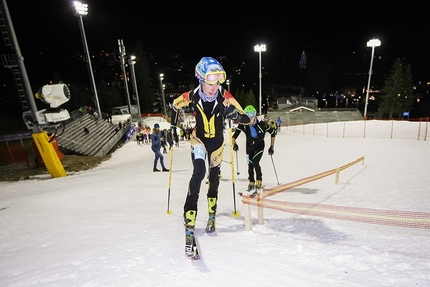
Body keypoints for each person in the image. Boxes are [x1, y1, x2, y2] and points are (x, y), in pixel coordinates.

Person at [170, 56, 250, 258]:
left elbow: (247, 118)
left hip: (217, 145)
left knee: (213, 179)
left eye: (217, 82)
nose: (214, 87)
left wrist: (235, 116)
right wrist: (173, 119)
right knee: (199, 172)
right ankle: (189, 218)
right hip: (198, 140)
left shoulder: (226, 96)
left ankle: (212, 215)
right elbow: (175, 104)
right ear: (200, 79)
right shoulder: (192, 95)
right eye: (209, 82)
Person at [232, 105, 277, 196]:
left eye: (250, 118)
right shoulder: (243, 124)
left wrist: (272, 147)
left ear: (254, 117)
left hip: (259, 146)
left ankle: (259, 181)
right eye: (247, 118)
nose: (248, 121)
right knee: (250, 164)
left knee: (255, 162)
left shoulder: (262, 124)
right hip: (249, 146)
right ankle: (251, 182)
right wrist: (234, 144)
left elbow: (273, 133)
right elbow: (234, 136)